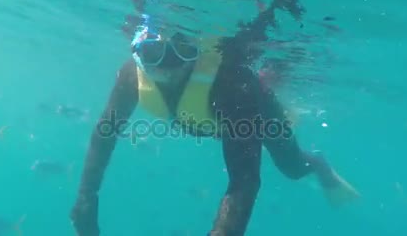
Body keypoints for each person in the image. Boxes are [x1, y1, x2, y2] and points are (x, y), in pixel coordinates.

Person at [69, 17, 360, 236]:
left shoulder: (232, 84)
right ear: (137, 52)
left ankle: (320, 166)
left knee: (292, 168)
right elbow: (103, 135)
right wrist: (86, 198)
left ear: (196, 52)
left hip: (255, 111)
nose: (167, 65)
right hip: (207, 119)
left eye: (181, 50)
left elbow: (244, 179)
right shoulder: (131, 77)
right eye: (153, 52)